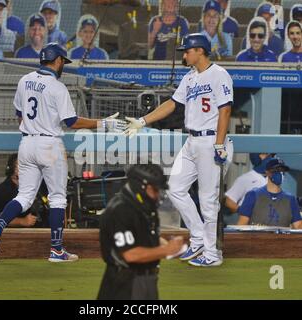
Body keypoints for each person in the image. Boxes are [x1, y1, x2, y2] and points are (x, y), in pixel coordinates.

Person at [0, 42, 127, 263]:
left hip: (27, 143)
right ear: (57, 60)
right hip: (49, 144)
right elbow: (72, 122)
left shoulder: (24, 80)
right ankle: (57, 250)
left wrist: (34, 129)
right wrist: (103, 124)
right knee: (58, 197)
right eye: (62, 61)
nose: (63, 66)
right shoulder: (57, 87)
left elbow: (19, 115)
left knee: (24, 196)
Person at [125, 33, 234, 267]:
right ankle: (198, 239)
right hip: (192, 141)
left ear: (200, 51)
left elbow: (225, 110)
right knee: (175, 189)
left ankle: (213, 254)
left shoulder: (219, 75)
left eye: (187, 50)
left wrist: (219, 143)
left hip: (210, 141)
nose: (184, 54)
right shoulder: (190, 77)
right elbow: (172, 104)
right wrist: (143, 121)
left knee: (208, 200)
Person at [98, 164, 184, 300]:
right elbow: (130, 254)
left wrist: (162, 242)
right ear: (141, 186)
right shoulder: (120, 210)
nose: (158, 195)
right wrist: (166, 250)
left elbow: (144, 233)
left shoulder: (143, 205)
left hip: (146, 280)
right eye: (155, 189)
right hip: (125, 286)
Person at [237, 158, 302, 229]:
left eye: (282, 171)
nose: (280, 173)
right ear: (267, 172)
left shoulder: (291, 199)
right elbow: (241, 225)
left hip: (281, 239)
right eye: (276, 170)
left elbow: (298, 226)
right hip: (257, 239)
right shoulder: (253, 195)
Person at [0, 154, 49, 228]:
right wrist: (22, 221)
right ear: (12, 169)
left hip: (40, 234)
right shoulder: (3, 191)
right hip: (13, 236)